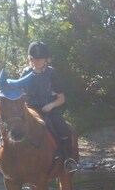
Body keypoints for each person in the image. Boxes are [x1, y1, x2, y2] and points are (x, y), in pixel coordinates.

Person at [21, 41, 79, 172]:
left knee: (63, 128)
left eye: (40, 59)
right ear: (30, 59)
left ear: (46, 59)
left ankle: (67, 159)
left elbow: (61, 98)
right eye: (34, 59)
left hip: (48, 108)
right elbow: (21, 93)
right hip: (30, 109)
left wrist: (51, 105)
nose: (37, 61)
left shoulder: (52, 73)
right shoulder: (25, 72)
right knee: (12, 126)